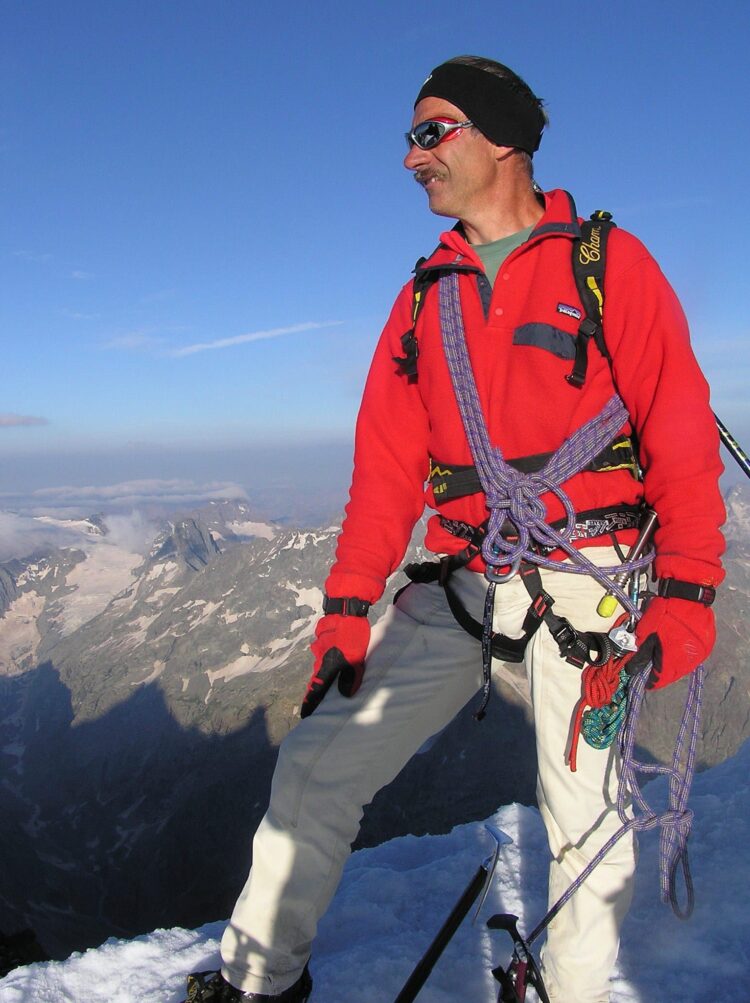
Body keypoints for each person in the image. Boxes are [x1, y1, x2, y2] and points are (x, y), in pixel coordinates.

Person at [208, 56, 725, 1002]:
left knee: (586, 826)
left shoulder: (607, 266)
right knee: (317, 766)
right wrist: (345, 610)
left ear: (503, 140)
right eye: (411, 138)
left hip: (586, 576)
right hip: (459, 578)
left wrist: (688, 591)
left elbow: (679, 431)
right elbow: (384, 478)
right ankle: (257, 981)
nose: (412, 158)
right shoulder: (421, 300)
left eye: (431, 132)